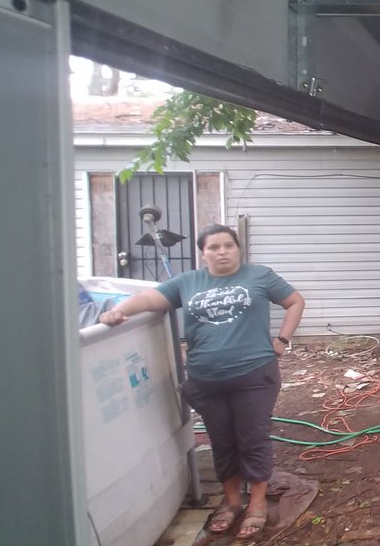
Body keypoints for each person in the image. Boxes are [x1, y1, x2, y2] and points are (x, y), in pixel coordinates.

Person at [99, 224, 305, 540]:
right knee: (221, 440)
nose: (222, 252)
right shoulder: (188, 282)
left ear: (238, 249)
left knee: (253, 439)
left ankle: (257, 503)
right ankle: (232, 501)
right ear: (203, 253)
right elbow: (150, 299)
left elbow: (295, 301)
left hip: (254, 376)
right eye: (213, 247)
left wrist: (282, 340)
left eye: (228, 246)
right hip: (205, 380)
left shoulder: (259, 276)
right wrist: (118, 311)